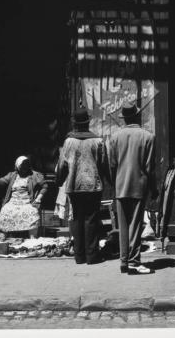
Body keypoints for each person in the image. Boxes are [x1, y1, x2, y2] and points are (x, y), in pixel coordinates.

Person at [108, 102, 156, 275]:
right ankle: (134, 262)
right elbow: (150, 167)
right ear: (137, 116)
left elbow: (112, 165)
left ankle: (124, 261)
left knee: (123, 226)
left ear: (124, 118)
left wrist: (115, 183)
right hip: (138, 185)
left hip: (121, 186)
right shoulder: (147, 137)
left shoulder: (115, 137)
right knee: (135, 226)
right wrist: (154, 188)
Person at [56, 108, 107, 265]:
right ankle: (92, 256)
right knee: (91, 219)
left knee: (77, 219)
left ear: (75, 124)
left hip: (74, 185)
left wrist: (59, 181)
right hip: (93, 185)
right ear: (88, 122)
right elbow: (103, 164)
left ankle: (79, 256)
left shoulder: (69, 142)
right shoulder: (98, 141)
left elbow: (63, 165)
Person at [0, 156, 48, 239]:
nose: (24, 168)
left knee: (32, 212)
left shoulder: (34, 175)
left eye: (26, 165)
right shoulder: (12, 175)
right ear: (17, 167)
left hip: (27, 202)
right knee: (5, 210)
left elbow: (44, 186)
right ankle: (3, 238)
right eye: (22, 166)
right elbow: (1, 181)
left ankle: (33, 239)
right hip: (13, 202)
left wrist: (38, 198)